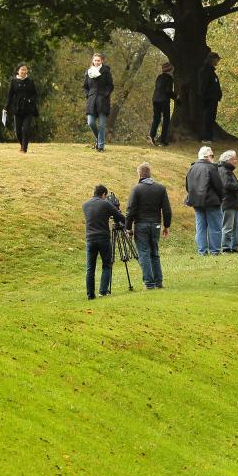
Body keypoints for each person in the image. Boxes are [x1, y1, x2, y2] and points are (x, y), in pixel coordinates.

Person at [125, 162, 172, 290]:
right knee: (154, 253)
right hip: (156, 224)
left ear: (139, 174)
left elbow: (130, 210)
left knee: (144, 253)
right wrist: (166, 226)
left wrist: (128, 227)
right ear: (149, 173)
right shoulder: (161, 188)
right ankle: (158, 282)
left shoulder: (136, 189)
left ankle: (149, 282)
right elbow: (167, 210)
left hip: (141, 225)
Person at [82, 184, 125, 299]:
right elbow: (119, 216)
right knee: (107, 265)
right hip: (103, 238)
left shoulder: (85, 205)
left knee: (90, 267)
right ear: (104, 194)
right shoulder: (105, 203)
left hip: (90, 238)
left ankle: (90, 295)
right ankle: (103, 291)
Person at [185, 146, 225, 256]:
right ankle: (215, 251)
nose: (213, 158)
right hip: (211, 201)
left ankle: (202, 251)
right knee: (215, 227)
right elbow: (219, 186)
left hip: (196, 202)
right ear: (206, 157)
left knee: (200, 227)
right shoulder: (211, 168)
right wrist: (222, 197)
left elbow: (188, 186)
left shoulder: (192, 168)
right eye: (212, 155)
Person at [218, 150, 238, 253]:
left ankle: (234, 248)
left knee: (236, 226)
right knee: (228, 226)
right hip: (228, 202)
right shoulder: (223, 170)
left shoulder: (228, 170)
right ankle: (226, 248)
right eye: (234, 158)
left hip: (233, 203)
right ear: (228, 160)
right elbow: (228, 185)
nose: (236, 161)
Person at [4, 63, 39, 154]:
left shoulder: (30, 81)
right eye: (22, 69)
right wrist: (6, 108)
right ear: (18, 71)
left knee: (26, 129)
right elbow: (10, 96)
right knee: (18, 131)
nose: (24, 71)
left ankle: (24, 148)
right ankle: (22, 144)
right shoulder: (13, 81)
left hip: (28, 109)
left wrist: (30, 101)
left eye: (25, 70)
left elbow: (35, 94)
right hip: (17, 109)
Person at [83, 53, 113, 152]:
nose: (96, 62)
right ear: (93, 61)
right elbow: (85, 87)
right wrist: (88, 95)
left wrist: (105, 94)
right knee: (90, 122)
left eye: (98, 60)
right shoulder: (88, 72)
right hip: (91, 100)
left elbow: (110, 85)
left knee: (101, 125)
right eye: (95, 60)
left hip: (102, 101)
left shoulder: (106, 71)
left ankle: (100, 146)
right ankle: (99, 139)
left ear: (102, 61)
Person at [197, 52, 223, 143]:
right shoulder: (205, 71)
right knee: (207, 118)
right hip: (208, 99)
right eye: (217, 59)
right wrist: (205, 97)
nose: (218, 61)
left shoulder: (212, 72)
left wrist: (219, 94)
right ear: (212, 59)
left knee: (211, 118)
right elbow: (203, 86)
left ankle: (209, 137)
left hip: (213, 99)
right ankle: (206, 137)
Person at [149, 62, 176, 146]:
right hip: (164, 100)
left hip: (155, 99)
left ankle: (151, 136)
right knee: (166, 120)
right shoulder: (169, 78)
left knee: (156, 118)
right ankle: (163, 140)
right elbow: (168, 91)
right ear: (170, 70)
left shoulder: (159, 77)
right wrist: (176, 97)